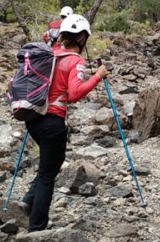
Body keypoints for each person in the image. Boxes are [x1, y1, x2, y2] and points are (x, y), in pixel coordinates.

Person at [22, 13, 108, 232]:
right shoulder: (75, 60)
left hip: (33, 119)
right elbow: (75, 93)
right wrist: (97, 76)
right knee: (48, 175)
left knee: (50, 165)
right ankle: (37, 228)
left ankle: (29, 200)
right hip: (53, 122)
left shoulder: (49, 54)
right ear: (81, 39)